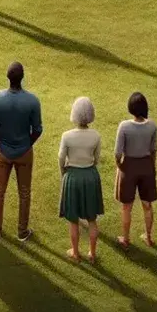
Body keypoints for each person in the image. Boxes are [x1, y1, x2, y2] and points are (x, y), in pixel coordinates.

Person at [0, 62, 43, 241]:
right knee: (24, 192)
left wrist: (0, 144)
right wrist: (27, 144)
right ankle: (22, 231)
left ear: (7, 77)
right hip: (24, 152)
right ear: (22, 77)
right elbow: (38, 129)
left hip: (3, 152)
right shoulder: (32, 101)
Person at [58, 97, 104, 263]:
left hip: (73, 176)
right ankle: (92, 253)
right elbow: (97, 158)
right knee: (92, 219)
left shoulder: (67, 136)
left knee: (73, 220)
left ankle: (76, 253)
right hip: (90, 176)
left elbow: (61, 157)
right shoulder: (96, 136)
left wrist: (64, 173)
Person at [113, 92, 157, 248]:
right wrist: (152, 166)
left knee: (127, 206)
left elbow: (118, 153)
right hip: (146, 166)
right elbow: (153, 150)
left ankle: (125, 239)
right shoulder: (152, 125)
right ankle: (149, 237)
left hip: (129, 167)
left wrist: (119, 166)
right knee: (147, 204)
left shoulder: (124, 126)